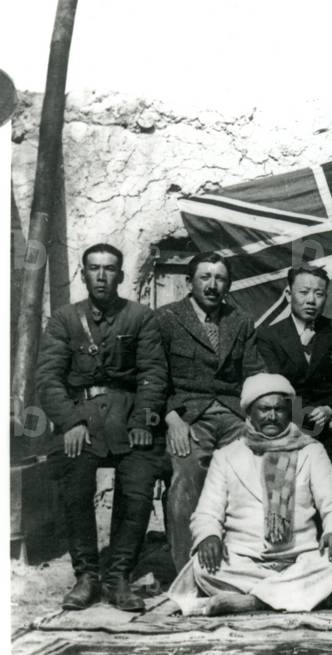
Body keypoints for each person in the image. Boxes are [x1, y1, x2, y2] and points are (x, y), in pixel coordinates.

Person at [167, 373, 332, 616]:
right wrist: (209, 536)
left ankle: (251, 602)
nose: (272, 416)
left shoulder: (311, 451)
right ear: (249, 413)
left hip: (299, 561)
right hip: (244, 561)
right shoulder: (227, 455)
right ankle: (291, 596)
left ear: (289, 412)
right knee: (202, 565)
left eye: (279, 409)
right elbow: (207, 513)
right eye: (264, 409)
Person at [36, 243, 168, 611]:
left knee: (139, 483)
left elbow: (153, 375)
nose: (101, 276)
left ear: (121, 276)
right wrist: (71, 421)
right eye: (94, 268)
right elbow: (48, 379)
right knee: (75, 483)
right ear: (83, 273)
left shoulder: (141, 317)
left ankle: (119, 575)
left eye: (109, 269)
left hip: (128, 416)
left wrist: (144, 419)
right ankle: (87, 575)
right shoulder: (64, 319)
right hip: (82, 417)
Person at [157, 252, 267, 572]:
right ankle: (188, 572)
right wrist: (172, 418)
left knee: (268, 462)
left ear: (228, 284)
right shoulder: (166, 318)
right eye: (204, 277)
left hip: (233, 415)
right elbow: (153, 377)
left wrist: (260, 419)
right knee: (187, 472)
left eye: (219, 278)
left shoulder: (240, 320)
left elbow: (254, 374)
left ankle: (253, 563)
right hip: (189, 416)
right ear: (189, 282)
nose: (212, 285)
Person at [256, 265, 332, 504]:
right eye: (304, 292)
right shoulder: (268, 336)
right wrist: (308, 420)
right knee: (284, 478)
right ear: (288, 295)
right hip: (287, 425)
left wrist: (329, 409)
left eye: (319, 293)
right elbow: (272, 391)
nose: (311, 300)